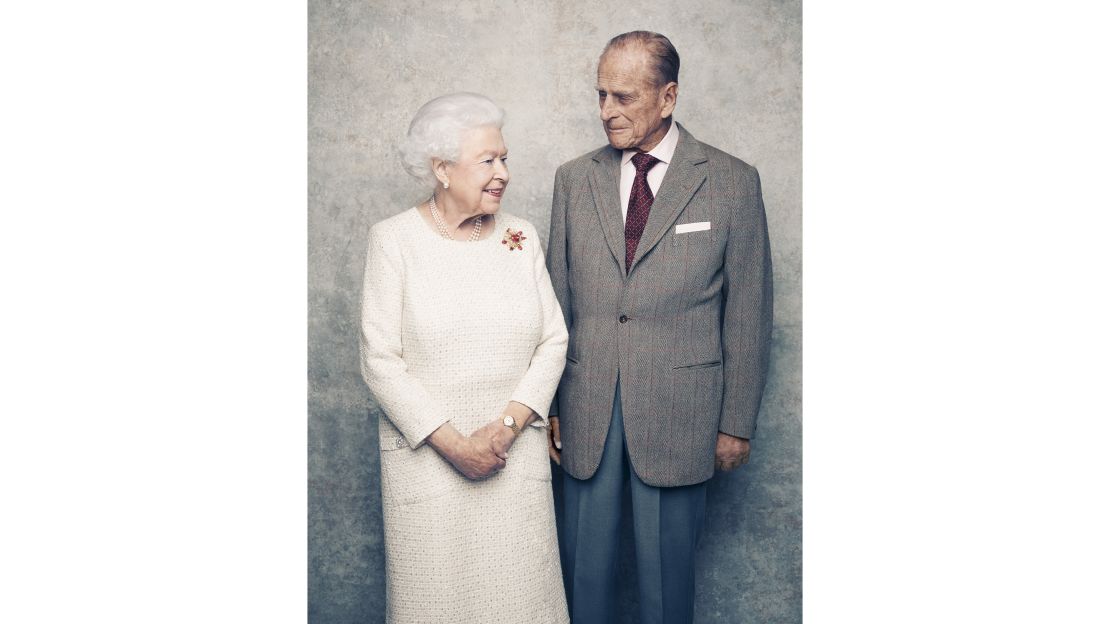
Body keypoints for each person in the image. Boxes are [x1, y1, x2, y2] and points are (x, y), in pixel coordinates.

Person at [546, 31, 774, 624]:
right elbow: (557, 302)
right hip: (588, 405)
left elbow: (749, 311)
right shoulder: (573, 180)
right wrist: (550, 405)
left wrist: (735, 422)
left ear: (668, 98)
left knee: (667, 585)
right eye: (601, 96)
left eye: (623, 97)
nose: (606, 112)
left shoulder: (731, 181)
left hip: (684, 411)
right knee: (582, 575)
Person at [359, 92, 570, 624]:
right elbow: (379, 359)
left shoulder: (521, 237)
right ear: (441, 169)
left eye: (504, 158)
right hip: (428, 468)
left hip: (511, 460)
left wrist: (503, 429)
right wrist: (455, 446)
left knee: (522, 606)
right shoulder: (394, 241)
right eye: (487, 161)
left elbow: (553, 340)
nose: (502, 172)